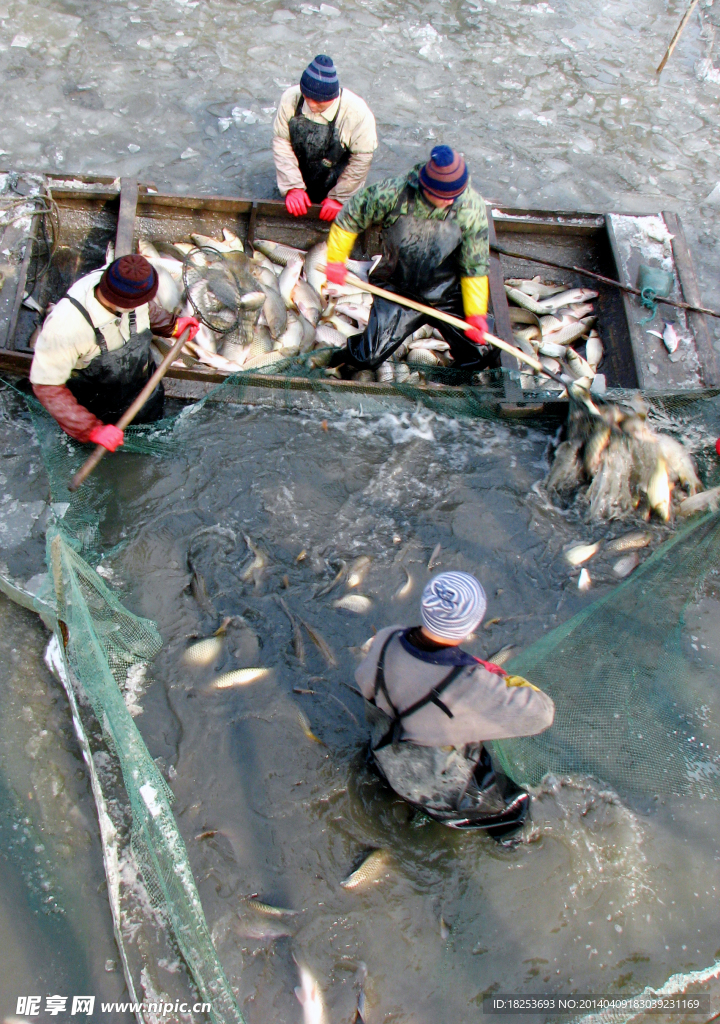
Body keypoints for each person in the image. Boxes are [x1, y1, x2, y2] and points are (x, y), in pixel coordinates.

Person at [355, 571, 555, 839]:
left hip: (384, 758)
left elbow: (364, 681)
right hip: (440, 788)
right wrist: (501, 679)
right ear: (470, 627)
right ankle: (512, 841)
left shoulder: (388, 638)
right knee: (513, 811)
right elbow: (542, 714)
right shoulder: (472, 682)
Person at [325, 145, 496, 372]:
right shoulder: (392, 193)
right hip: (397, 290)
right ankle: (332, 361)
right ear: (426, 186)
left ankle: (451, 381)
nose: (449, 202)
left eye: (454, 196)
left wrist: (475, 314)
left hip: (446, 293)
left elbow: (474, 266)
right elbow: (350, 217)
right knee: (367, 357)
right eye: (443, 197)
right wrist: (336, 259)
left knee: (481, 351)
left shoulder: (470, 207)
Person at [30, 254, 199, 450]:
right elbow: (47, 387)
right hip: (97, 410)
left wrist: (172, 325)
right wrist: (91, 429)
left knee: (152, 437)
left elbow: (146, 308)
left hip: (143, 394)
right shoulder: (66, 327)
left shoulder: (127, 291)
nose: (146, 303)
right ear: (123, 303)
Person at [272, 54, 377, 222]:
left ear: (333, 97)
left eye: (320, 102)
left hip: (335, 176)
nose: (312, 105)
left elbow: (362, 159)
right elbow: (282, 142)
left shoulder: (358, 113)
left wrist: (339, 198)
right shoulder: (290, 98)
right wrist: (292, 187)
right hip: (301, 169)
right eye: (307, 98)